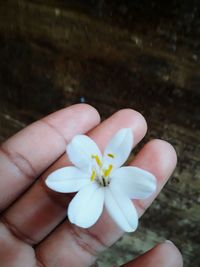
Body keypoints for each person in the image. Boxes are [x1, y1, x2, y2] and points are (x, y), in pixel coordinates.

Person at [0, 104, 183, 267]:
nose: (102, 174)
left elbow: (138, 197)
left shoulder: (124, 179)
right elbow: (60, 178)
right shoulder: (78, 165)